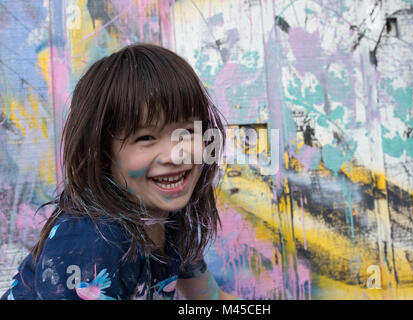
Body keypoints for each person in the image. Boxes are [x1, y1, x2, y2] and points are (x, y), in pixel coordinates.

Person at [1, 43, 238, 300]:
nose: (175, 155)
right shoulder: (93, 240)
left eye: (187, 132)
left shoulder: (168, 218)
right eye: (146, 137)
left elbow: (211, 299)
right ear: (103, 154)